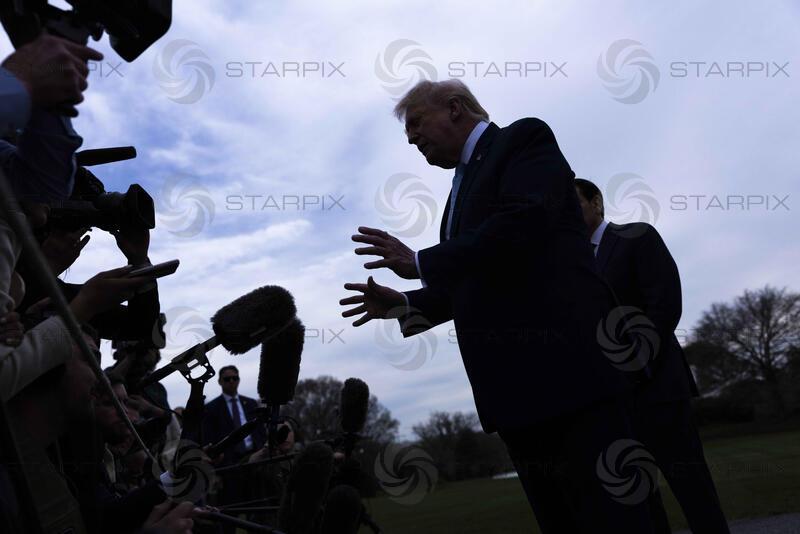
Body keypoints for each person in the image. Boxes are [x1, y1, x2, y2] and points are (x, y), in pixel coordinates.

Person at [341, 79, 653, 533]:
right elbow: (475, 276)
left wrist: (421, 260)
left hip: (568, 378)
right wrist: (404, 304)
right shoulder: (456, 194)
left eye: (416, 122)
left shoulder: (522, 140)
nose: (411, 138)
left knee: (612, 519)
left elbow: (524, 223)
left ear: (454, 108)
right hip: (515, 399)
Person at [575, 178, 730, 533]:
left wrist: (631, 366)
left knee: (694, 491)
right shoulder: (573, 266)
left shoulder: (637, 236)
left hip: (658, 388)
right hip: (611, 404)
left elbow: (664, 307)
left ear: (597, 201)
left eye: (574, 204)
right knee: (639, 501)